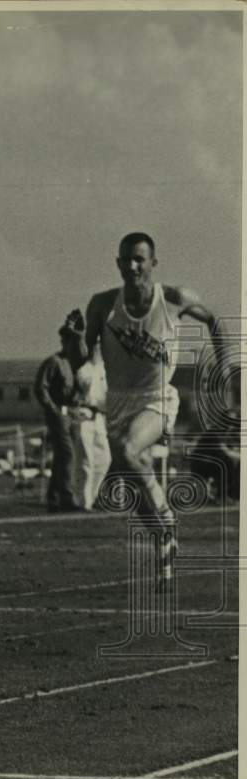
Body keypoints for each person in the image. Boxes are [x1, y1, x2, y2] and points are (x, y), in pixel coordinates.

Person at [83, 232, 229, 582]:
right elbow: (86, 355)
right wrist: (79, 348)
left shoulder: (174, 299)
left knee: (129, 451)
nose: (132, 266)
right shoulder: (103, 304)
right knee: (131, 483)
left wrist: (222, 371)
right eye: (125, 260)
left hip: (156, 399)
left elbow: (215, 321)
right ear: (118, 263)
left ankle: (166, 524)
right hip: (117, 402)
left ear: (152, 263)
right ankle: (164, 540)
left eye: (139, 259)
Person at [35, 323, 79, 511]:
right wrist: (51, 408)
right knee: (67, 453)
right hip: (58, 412)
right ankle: (66, 497)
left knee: (63, 456)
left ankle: (53, 497)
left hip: (72, 413)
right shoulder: (54, 362)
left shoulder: (74, 363)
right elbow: (40, 387)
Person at [70, 355, 110, 511]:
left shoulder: (106, 369)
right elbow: (79, 392)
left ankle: (90, 497)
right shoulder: (83, 370)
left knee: (104, 459)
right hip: (85, 415)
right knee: (85, 460)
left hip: (100, 417)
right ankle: (83, 501)